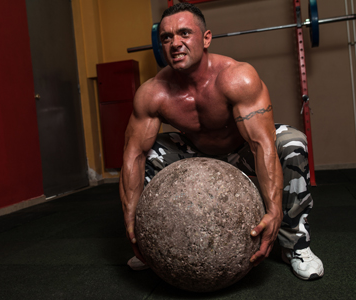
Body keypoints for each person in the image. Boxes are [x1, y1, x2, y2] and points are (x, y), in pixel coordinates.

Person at [119, 3, 324, 280]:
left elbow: (260, 145)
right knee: (150, 151)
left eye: (184, 33)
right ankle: (151, 242)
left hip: (241, 149)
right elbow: (133, 156)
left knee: (292, 143)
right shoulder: (153, 94)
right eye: (166, 37)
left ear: (206, 39)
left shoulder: (236, 78)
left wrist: (275, 211)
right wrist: (132, 223)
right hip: (195, 153)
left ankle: (295, 244)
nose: (175, 43)